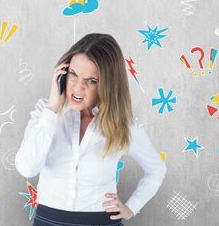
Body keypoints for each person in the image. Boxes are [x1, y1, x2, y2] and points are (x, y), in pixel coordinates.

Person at [15, 33, 167, 226]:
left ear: (108, 85)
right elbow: (27, 168)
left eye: (91, 81)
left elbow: (156, 169)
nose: (78, 88)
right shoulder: (45, 112)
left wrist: (131, 207)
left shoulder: (123, 125)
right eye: (73, 74)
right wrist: (52, 109)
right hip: (48, 220)